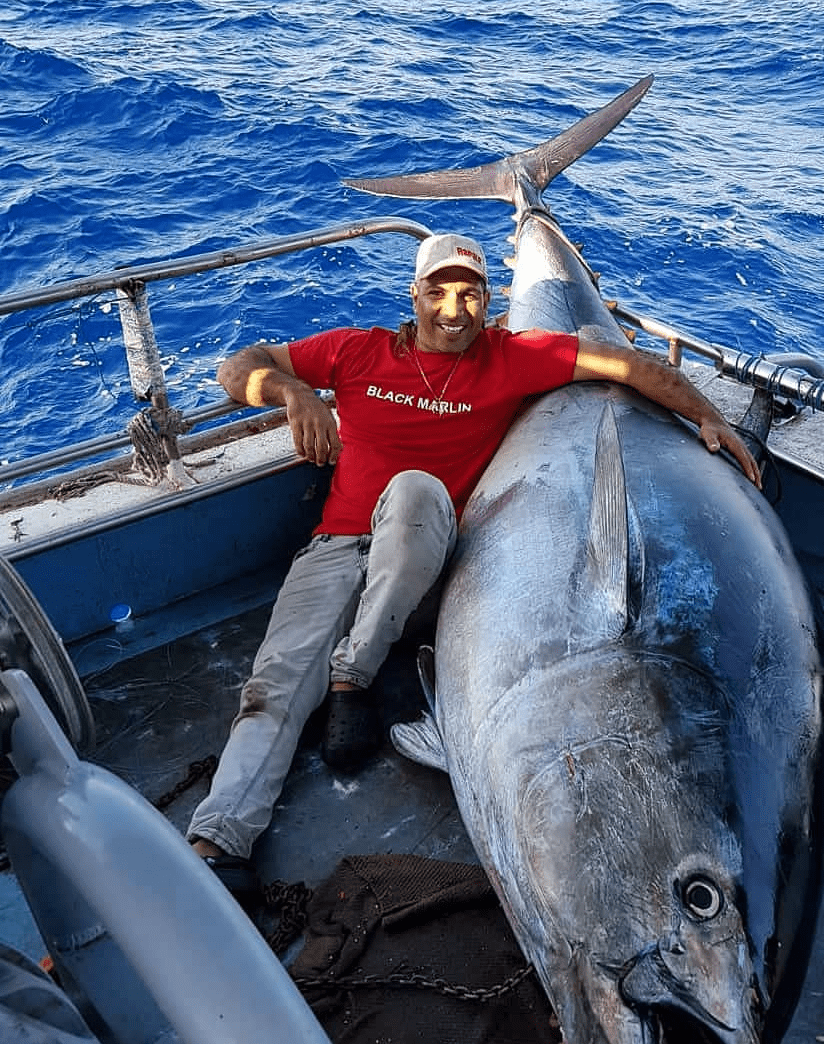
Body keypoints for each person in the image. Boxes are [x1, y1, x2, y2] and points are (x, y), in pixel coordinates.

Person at [187, 233, 761, 902]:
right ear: (415, 295)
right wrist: (294, 394)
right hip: (339, 545)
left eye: (470, 294)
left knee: (414, 492)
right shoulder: (356, 350)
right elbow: (239, 367)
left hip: (430, 557)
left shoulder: (510, 358)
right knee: (276, 680)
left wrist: (707, 415)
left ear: (491, 302)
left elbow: (626, 367)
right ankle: (217, 845)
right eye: (439, 292)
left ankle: (352, 678)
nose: (454, 309)